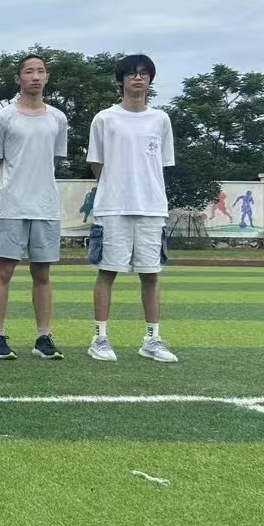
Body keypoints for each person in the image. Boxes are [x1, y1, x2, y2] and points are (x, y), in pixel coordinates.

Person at [86, 54, 178, 364]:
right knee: (107, 272)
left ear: (150, 80)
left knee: (151, 275)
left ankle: (152, 339)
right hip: (113, 207)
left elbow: (161, 165)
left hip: (152, 207)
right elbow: (97, 164)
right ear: (121, 81)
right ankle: (99, 338)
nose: (137, 78)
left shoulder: (160, 119)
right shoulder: (104, 119)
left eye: (143, 74)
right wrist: (114, 189)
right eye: (131, 74)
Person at [0, 55, 69, 361]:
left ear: (47, 77)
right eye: (29, 71)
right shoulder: (3, 118)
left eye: (40, 71)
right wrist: (14, 185)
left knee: (42, 273)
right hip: (12, 206)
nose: (35, 76)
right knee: (4, 270)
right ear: (18, 78)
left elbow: (55, 159)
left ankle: (43, 337)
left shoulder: (58, 118)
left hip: (46, 207)